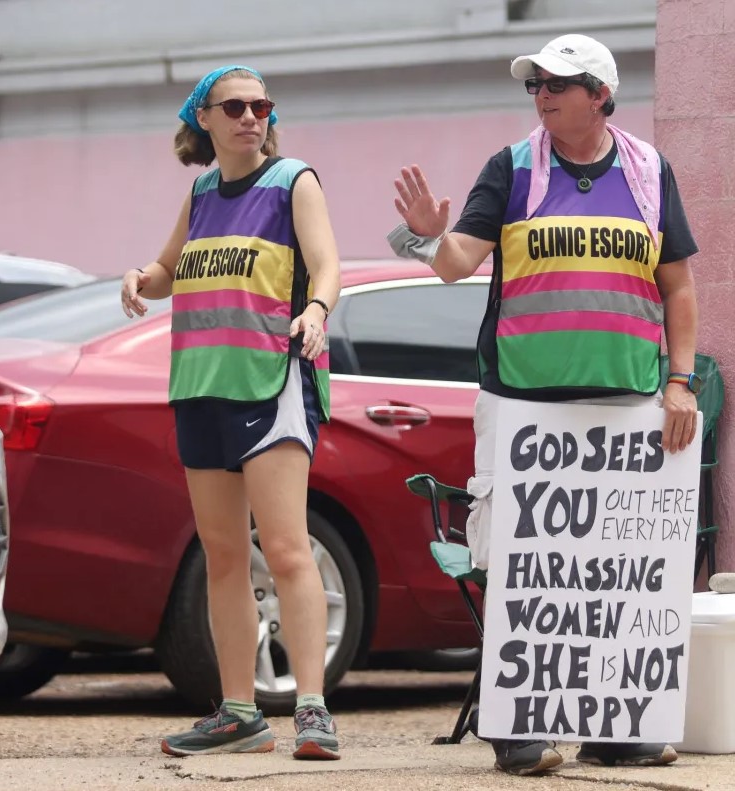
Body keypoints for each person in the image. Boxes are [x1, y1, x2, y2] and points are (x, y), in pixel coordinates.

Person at [387, 34, 699, 776]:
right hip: (521, 401)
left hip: (624, 402)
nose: (542, 95)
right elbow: (456, 263)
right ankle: (516, 726)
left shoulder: (649, 171)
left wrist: (679, 380)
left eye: (558, 83)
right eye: (535, 84)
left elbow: (678, 287)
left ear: (600, 94)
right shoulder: (512, 167)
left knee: (612, 567)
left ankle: (613, 723)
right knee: (517, 561)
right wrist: (423, 237)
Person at [119, 64, 342, 760]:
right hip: (200, 385)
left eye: (261, 106)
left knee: (286, 549)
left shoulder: (293, 181)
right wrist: (140, 278)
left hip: (269, 382)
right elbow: (166, 271)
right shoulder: (201, 192)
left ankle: (312, 709)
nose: (251, 117)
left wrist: (315, 309)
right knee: (223, 556)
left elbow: (326, 264)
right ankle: (240, 713)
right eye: (236, 107)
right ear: (205, 119)